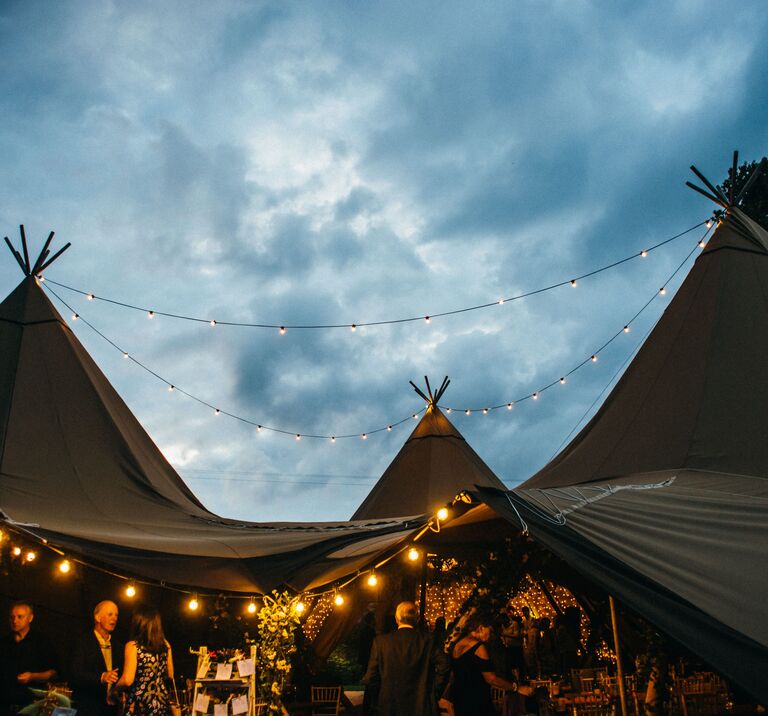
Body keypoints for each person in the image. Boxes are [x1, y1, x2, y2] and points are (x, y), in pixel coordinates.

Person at [363, 601, 450, 716]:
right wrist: (432, 690)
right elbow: (445, 665)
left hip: (389, 705)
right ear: (417, 619)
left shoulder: (381, 642)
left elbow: (370, 678)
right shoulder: (427, 640)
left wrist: (381, 694)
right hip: (421, 704)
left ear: (397, 618)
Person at [449, 614, 531, 716]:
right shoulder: (478, 648)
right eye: (489, 631)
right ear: (481, 628)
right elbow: (491, 679)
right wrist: (516, 688)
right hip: (477, 701)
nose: (490, 635)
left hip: (460, 699)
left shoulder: (458, 644)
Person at [113, 605, 174, 716]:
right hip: (161, 703)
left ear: (139, 622)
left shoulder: (133, 646)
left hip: (140, 704)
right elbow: (170, 675)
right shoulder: (166, 645)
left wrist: (114, 690)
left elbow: (127, 679)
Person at [0, 601, 59, 715]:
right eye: (12, 617)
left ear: (30, 618)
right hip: (4, 708)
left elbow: (54, 673)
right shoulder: (4, 643)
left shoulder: (42, 642)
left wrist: (33, 676)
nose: (15, 621)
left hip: (31, 707)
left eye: (20, 617)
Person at [72, 600, 124, 716]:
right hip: (87, 708)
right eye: (110, 614)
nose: (114, 618)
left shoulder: (118, 646)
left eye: (116, 615)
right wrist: (101, 677)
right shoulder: (82, 642)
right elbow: (76, 674)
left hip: (110, 709)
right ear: (97, 617)